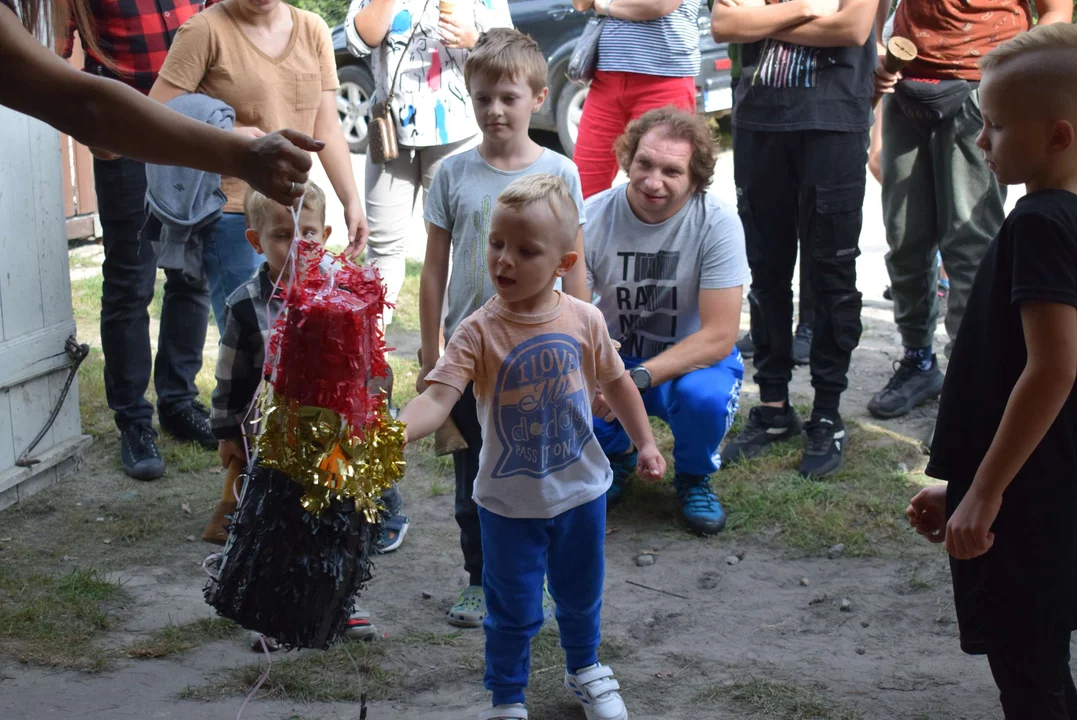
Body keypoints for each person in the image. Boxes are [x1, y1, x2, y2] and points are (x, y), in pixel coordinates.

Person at [0, 0, 320, 480]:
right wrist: (237, 151)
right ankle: (133, 421)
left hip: (190, 136)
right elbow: (69, 85)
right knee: (131, 279)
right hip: (119, 131)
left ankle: (177, 401)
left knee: (188, 274)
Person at [401, 173, 665, 720]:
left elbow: (615, 382)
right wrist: (389, 433)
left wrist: (645, 442)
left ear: (565, 263)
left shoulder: (584, 319)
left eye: (525, 250)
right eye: (497, 243)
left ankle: (585, 668)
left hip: (581, 491)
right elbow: (437, 397)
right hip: (508, 502)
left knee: (579, 593)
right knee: (513, 607)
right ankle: (507, 697)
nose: (504, 260)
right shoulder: (476, 330)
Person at [906, 24, 1077, 718]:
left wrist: (982, 494)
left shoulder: (1039, 222)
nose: (981, 143)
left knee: (1028, 672)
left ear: (1057, 135)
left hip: (1025, 509)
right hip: (1050, 490)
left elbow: (1051, 369)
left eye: (997, 127)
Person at [419, 28, 589, 629]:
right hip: (471, 356)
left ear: (538, 98)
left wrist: (583, 347)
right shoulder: (450, 175)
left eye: (509, 97)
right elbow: (434, 267)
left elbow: (577, 268)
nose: (495, 109)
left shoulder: (561, 173)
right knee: (476, 473)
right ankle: (478, 578)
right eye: (483, 96)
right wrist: (430, 348)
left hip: (539, 355)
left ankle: (531, 577)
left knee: (534, 469)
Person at [866, 0, 1071, 421]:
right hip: (905, 85)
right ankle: (918, 362)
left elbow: (1056, 12)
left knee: (969, 248)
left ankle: (970, 382)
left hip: (982, 89)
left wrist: (1009, 90)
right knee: (904, 239)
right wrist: (876, 53)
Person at [209, 181, 379, 647]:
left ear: (324, 234)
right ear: (255, 241)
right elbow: (232, 374)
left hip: (335, 441)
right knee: (277, 529)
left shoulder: (345, 292)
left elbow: (367, 363)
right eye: (281, 236)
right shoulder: (246, 303)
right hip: (275, 443)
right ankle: (273, 616)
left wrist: (374, 419)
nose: (296, 246)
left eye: (306, 233)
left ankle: (339, 604)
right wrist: (227, 432)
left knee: (337, 527)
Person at [713, 0, 876, 478]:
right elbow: (726, 24)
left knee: (832, 276)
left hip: (834, 123)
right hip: (759, 122)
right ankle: (772, 407)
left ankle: (827, 413)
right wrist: (809, 7)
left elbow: (853, 26)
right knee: (766, 272)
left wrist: (768, 20)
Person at [149, 0, 368, 332]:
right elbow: (156, 116)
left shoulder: (313, 30)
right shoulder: (204, 30)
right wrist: (231, 137)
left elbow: (326, 126)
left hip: (295, 213)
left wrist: (350, 200)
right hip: (234, 215)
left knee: (297, 335)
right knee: (255, 341)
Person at [585, 107, 750, 535]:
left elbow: (718, 335)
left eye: (671, 171)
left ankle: (694, 476)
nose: (652, 181)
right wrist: (602, 373)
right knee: (569, 378)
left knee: (705, 398)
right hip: (613, 357)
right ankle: (615, 456)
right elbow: (573, 316)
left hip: (690, 360)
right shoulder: (591, 216)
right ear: (628, 158)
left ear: (695, 178)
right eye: (644, 163)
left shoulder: (717, 222)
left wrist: (635, 378)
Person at [346, 0, 513, 326]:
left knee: (457, 248)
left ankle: (449, 348)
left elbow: (512, 49)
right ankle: (371, 351)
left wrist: (475, 38)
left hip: (455, 131)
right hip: (389, 130)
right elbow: (356, 41)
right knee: (383, 247)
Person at [570, 0, 703, 200]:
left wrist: (604, 6)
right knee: (583, 190)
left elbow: (658, 5)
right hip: (607, 77)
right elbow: (581, 3)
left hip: (665, 78)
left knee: (662, 189)